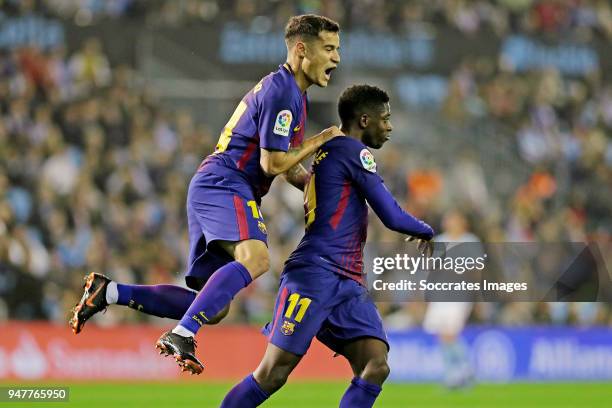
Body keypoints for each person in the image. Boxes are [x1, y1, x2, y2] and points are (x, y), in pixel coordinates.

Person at [69, 14, 343, 375]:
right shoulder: (283, 92)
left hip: (216, 184)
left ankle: (110, 292)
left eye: (337, 50)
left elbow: (289, 167)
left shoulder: (292, 95)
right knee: (257, 258)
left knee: (213, 307)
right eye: (329, 49)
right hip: (226, 182)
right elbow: (273, 163)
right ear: (302, 49)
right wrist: (324, 138)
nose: (336, 58)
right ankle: (182, 333)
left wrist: (320, 190)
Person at [219, 84, 434, 407]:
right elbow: (391, 215)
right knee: (272, 374)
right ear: (364, 120)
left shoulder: (330, 152)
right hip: (315, 275)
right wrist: (426, 229)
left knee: (376, 365)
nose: (389, 127)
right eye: (385, 119)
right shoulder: (352, 151)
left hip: (346, 280)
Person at [423, 210, 481, 389]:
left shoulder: (471, 242)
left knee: (450, 333)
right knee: (442, 334)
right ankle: (455, 373)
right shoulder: (440, 241)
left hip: (460, 293)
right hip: (441, 293)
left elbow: (475, 271)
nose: (449, 222)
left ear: (463, 222)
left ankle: (464, 369)